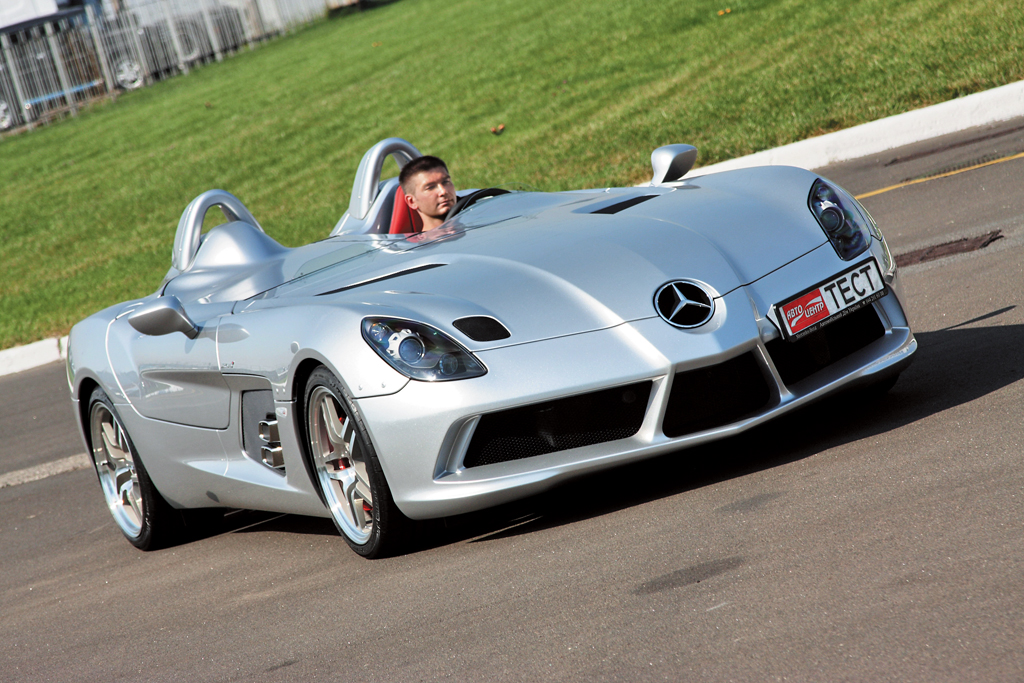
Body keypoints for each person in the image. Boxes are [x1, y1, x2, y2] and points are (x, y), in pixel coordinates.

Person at [398, 155, 457, 231]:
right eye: (430, 187)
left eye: (446, 182)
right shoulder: (427, 243)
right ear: (412, 201)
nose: (443, 191)